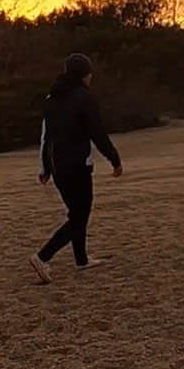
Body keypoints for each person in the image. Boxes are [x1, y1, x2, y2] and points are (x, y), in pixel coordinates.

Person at [29, 53, 123, 283]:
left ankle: (81, 260)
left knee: (76, 213)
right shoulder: (84, 98)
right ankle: (43, 256)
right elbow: (97, 133)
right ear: (84, 74)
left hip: (57, 165)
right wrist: (114, 159)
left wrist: (45, 167)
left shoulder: (52, 98)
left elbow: (46, 136)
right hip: (78, 165)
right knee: (80, 217)